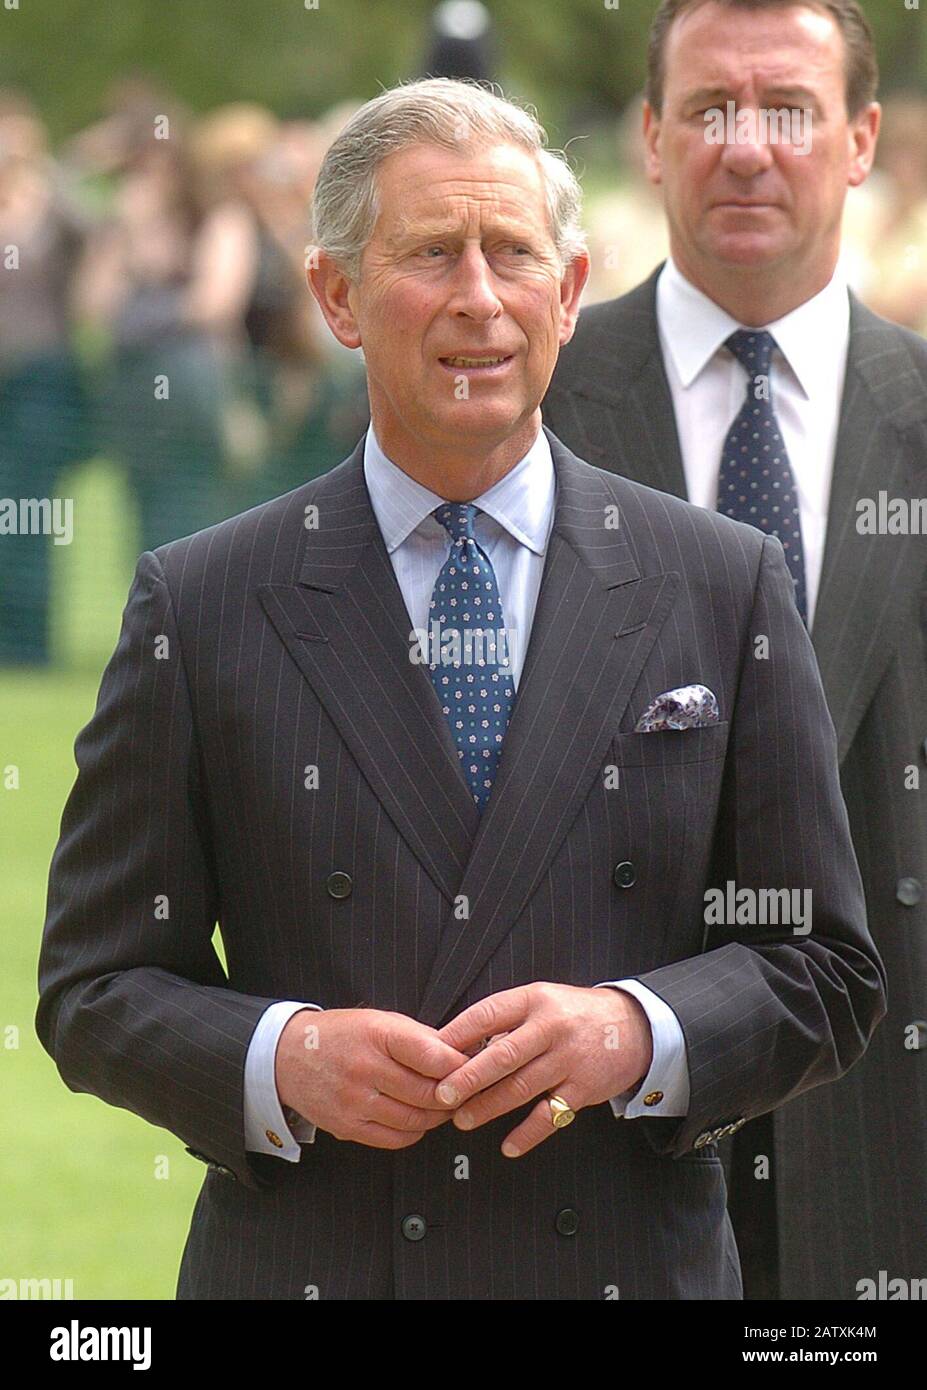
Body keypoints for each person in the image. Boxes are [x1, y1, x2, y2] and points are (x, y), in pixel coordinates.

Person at [37, 76, 884, 1301]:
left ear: (572, 290)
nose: (480, 299)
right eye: (431, 253)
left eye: (512, 254)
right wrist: (284, 1057)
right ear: (336, 294)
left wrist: (636, 1032)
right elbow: (94, 984)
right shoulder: (204, 601)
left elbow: (826, 967)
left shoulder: (723, 585)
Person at [544, 0, 926, 1300]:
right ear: (649, 137)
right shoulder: (516, 412)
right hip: (582, 1149)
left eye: (786, 110)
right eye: (708, 108)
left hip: (889, 1146)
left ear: (860, 138)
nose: (745, 147)